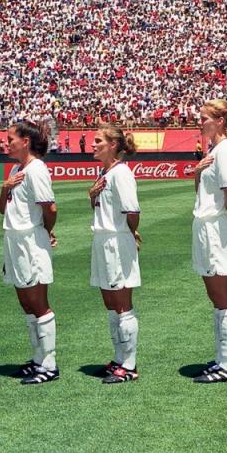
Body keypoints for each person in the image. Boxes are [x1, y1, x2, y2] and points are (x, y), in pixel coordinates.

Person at [0, 120, 60, 384]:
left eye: (11, 138)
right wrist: (5, 188)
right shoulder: (15, 169)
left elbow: (50, 208)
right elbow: (2, 208)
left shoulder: (36, 169)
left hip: (30, 240)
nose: (6, 142)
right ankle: (37, 359)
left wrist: (45, 232)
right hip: (13, 239)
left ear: (26, 141)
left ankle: (49, 363)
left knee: (38, 303)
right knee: (25, 303)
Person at [190, 98, 227, 383]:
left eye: (204, 118)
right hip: (205, 224)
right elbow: (203, 190)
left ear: (220, 121)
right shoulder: (214, 150)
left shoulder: (225, 150)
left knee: (222, 293)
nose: (200, 122)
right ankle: (221, 358)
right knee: (215, 294)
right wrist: (199, 171)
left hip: (216, 226)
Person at [88, 125, 142, 384]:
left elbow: (132, 211)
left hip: (117, 241)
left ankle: (129, 365)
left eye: (98, 141)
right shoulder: (105, 172)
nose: (92, 145)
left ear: (112, 145)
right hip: (102, 239)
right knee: (110, 303)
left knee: (121, 304)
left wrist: (132, 234)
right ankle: (119, 358)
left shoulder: (121, 173)